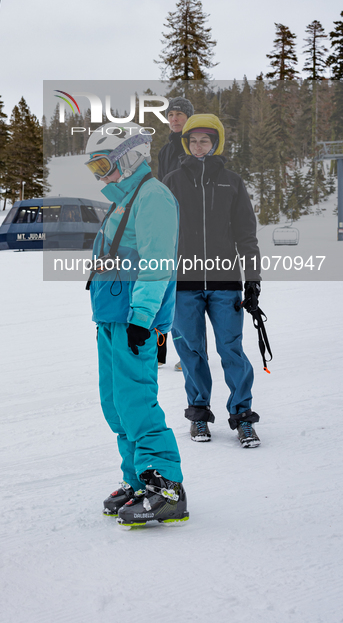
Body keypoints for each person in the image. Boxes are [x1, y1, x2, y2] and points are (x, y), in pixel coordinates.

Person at [85, 122, 188, 527]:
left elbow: (158, 263)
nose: (100, 176)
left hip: (133, 322)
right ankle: (137, 478)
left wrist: (142, 320)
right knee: (116, 405)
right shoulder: (124, 199)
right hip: (112, 318)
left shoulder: (153, 197)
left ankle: (166, 487)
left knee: (137, 404)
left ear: (129, 157)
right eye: (94, 169)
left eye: (103, 165)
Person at [162, 114, 262, 448]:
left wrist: (252, 280)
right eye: (192, 141)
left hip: (225, 282)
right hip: (183, 283)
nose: (198, 146)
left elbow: (246, 235)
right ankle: (199, 415)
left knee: (231, 349)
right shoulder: (172, 181)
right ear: (186, 144)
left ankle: (243, 417)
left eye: (204, 140)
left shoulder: (232, 181)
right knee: (191, 351)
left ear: (215, 142)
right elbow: (160, 234)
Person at [156, 97, 193, 367]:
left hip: (190, 224)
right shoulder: (166, 150)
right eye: (170, 114)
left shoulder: (195, 146)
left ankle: (188, 351)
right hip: (167, 222)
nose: (174, 118)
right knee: (163, 286)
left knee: (186, 292)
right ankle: (159, 353)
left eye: (179, 114)